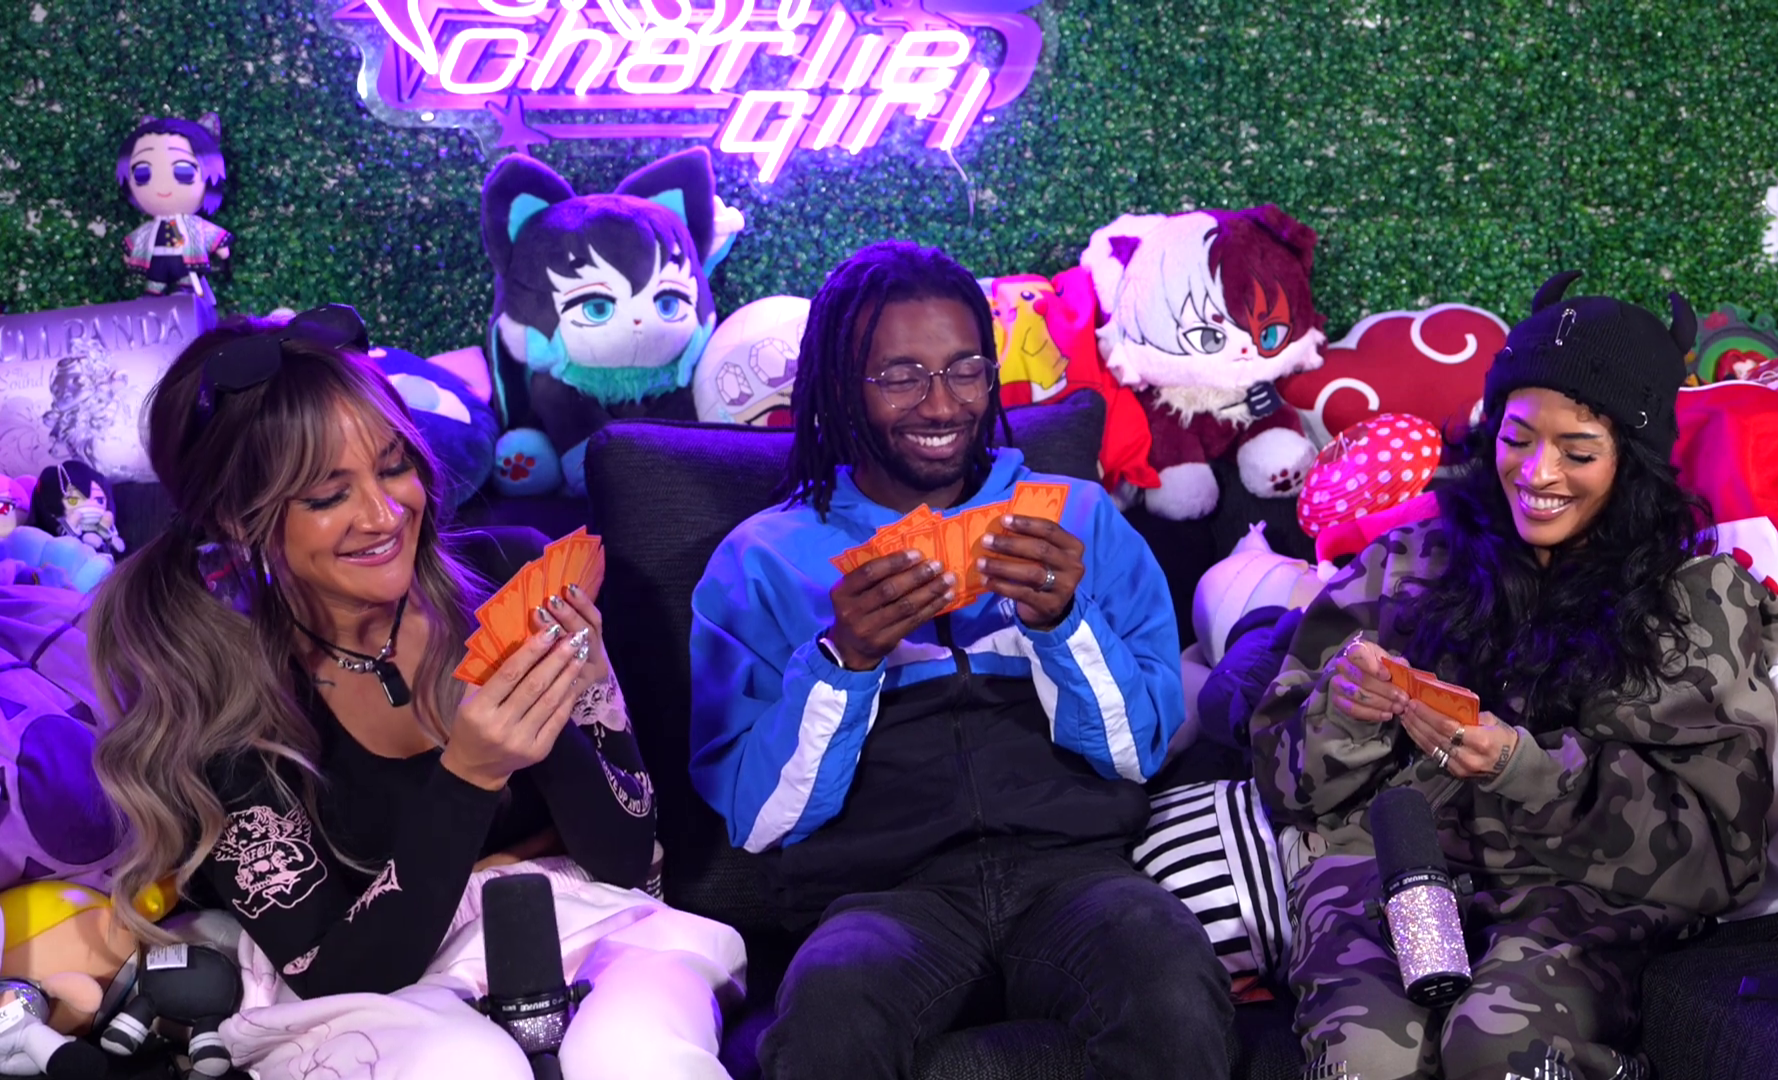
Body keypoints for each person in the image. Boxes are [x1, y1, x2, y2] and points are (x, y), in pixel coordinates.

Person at [89, 306, 745, 1080]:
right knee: (466, 1067)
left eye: (394, 466)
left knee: (635, 1056)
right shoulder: (224, 697)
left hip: (584, 927)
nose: (384, 513)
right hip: (374, 996)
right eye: (328, 495)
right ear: (239, 518)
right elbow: (338, 970)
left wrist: (551, 710)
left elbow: (626, 859)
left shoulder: (508, 572)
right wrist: (471, 775)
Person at [688, 240, 1233, 1079]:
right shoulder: (760, 559)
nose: (941, 403)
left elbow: (1140, 752)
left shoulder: (1080, 518)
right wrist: (845, 660)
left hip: (1075, 875)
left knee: (1171, 981)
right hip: (882, 897)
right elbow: (757, 819)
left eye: (964, 369)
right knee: (827, 1018)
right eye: (900, 375)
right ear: (838, 386)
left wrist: (1063, 625)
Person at [1250, 271, 1778, 1080]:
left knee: (1496, 1050)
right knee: (1368, 1061)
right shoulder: (1405, 566)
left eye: (1579, 452)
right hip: (1388, 870)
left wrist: (1524, 769)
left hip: (1579, 894)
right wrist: (1344, 715)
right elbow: (1281, 782)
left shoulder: (1691, 604)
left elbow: (1721, 854)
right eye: (1516, 438)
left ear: (1634, 462)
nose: (1537, 474)